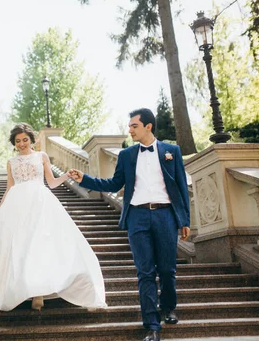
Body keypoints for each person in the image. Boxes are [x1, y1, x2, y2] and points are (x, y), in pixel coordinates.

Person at [69, 108, 190, 341]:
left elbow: (181, 188)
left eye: (134, 125)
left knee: (167, 269)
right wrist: (84, 179)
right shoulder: (127, 155)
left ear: (148, 126)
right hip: (138, 217)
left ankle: (168, 307)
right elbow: (114, 184)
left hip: (166, 215)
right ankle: (152, 326)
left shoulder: (171, 151)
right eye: (129, 126)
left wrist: (184, 220)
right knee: (145, 272)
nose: (130, 129)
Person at [0, 123, 107, 312]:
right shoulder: (11, 162)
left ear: (31, 139)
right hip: (16, 204)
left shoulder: (41, 156)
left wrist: (67, 175)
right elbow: (10, 187)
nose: (21, 144)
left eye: (25, 139)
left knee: (40, 243)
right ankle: (23, 288)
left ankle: (39, 293)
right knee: (19, 245)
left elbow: (51, 183)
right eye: (18, 141)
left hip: (40, 202)